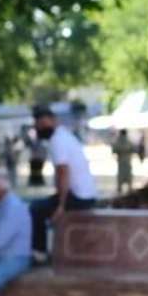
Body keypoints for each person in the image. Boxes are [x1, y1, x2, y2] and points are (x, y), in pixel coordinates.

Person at [27, 104, 98, 262]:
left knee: (36, 209)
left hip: (79, 197)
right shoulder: (63, 136)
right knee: (40, 207)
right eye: (38, 123)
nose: (40, 127)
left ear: (53, 120)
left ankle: (40, 253)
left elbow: (63, 172)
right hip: (84, 194)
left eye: (43, 123)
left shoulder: (57, 140)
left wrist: (61, 205)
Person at [112, 130, 136, 194]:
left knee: (121, 174)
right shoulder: (128, 141)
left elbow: (114, 149)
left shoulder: (118, 141)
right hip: (127, 160)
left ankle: (120, 187)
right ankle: (129, 186)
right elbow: (133, 149)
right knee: (128, 174)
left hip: (121, 160)